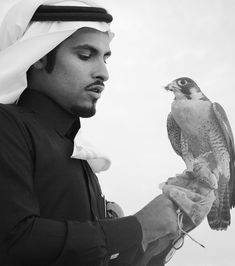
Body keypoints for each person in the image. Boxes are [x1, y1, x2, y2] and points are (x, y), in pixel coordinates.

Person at [0, 0, 214, 265]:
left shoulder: (81, 160)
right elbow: (13, 242)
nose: (103, 72)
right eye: (85, 55)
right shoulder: (7, 126)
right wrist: (137, 227)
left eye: (105, 58)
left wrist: (164, 234)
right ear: (40, 56)